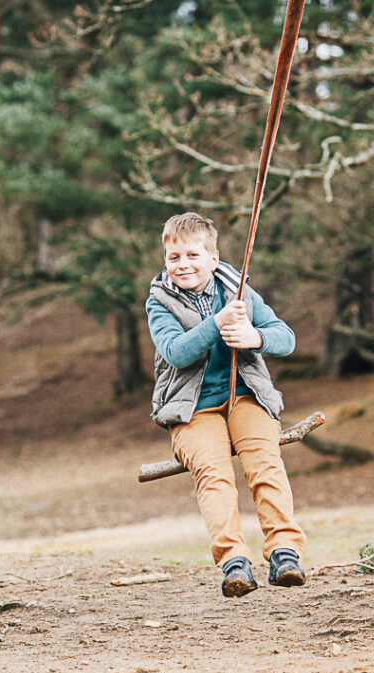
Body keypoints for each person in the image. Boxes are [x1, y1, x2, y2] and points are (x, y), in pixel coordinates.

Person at [146, 212, 307, 598]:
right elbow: (176, 352)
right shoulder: (159, 302)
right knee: (214, 474)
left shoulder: (239, 292)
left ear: (213, 258)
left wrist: (254, 337)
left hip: (246, 396)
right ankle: (234, 561)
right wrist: (217, 324)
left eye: (192, 255)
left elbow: (286, 337)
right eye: (174, 258)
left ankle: (285, 552)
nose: (182, 265)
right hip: (191, 410)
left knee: (264, 463)